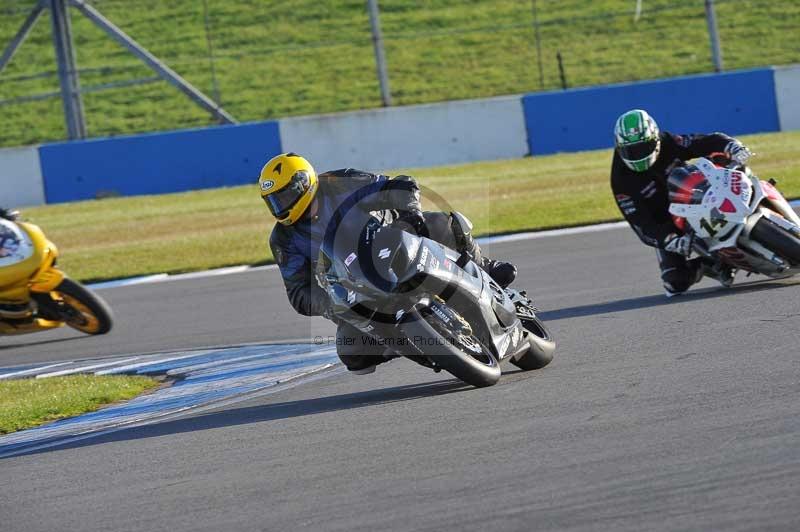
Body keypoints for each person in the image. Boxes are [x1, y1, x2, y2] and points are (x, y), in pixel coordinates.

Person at [260, 152, 517, 373]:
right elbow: (298, 292)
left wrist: (411, 213)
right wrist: (331, 305)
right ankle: (415, 344)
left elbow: (398, 186)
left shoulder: (340, 183)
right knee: (351, 351)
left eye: (283, 197)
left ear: (303, 183)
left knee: (441, 224)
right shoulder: (283, 240)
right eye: (273, 201)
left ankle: (484, 267)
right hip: (355, 286)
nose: (279, 206)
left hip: (393, 242)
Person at [610, 109, 753, 297]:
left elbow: (701, 142)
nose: (637, 154)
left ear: (655, 139)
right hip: (669, 220)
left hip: (697, 193)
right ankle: (709, 265)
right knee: (675, 282)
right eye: (631, 150)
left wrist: (731, 146)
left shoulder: (667, 142)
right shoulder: (621, 180)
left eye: (642, 147)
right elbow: (641, 224)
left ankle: (764, 199)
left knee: (728, 162)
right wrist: (669, 240)